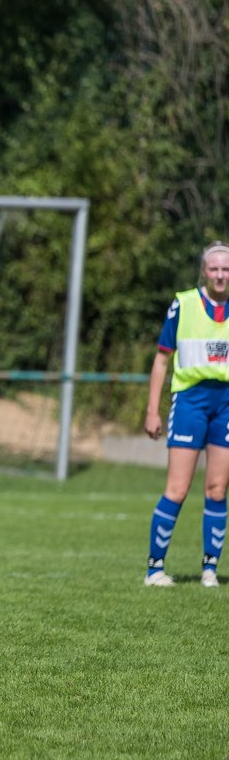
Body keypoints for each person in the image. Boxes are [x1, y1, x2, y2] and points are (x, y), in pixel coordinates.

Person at [142, 242, 229, 588]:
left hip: (226, 403)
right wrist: (152, 410)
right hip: (191, 400)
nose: (221, 275)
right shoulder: (184, 303)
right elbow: (162, 359)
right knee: (177, 489)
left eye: (226, 269)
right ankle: (154, 569)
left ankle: (210, 570)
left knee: (218, 488)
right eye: (214, 269)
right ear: (203, 271)